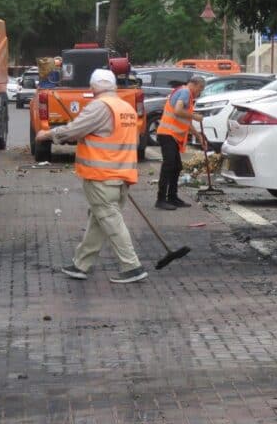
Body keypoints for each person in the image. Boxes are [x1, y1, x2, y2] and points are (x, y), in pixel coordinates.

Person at [35, 69, 148, 284]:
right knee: (99, 220)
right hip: (121, 175)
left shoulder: (100, 107)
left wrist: (47, 135)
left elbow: (74, 130)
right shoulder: (125, 108)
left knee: (111, 221)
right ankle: (81, 264)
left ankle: (132, 266)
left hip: (101, 176)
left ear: (93, 87)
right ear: (113, 86)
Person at [155, 75, 207, 210]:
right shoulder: (185, 92)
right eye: (200, 89)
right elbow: (178, 111)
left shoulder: (187, 95)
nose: (199, 92)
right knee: (169, 166)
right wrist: (195, 116)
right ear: (195, 85)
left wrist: (198, 136)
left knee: (176, 166)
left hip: (171, 136)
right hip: (167, 134)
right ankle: (161, 199)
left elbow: (185, 121)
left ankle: (172, 197)